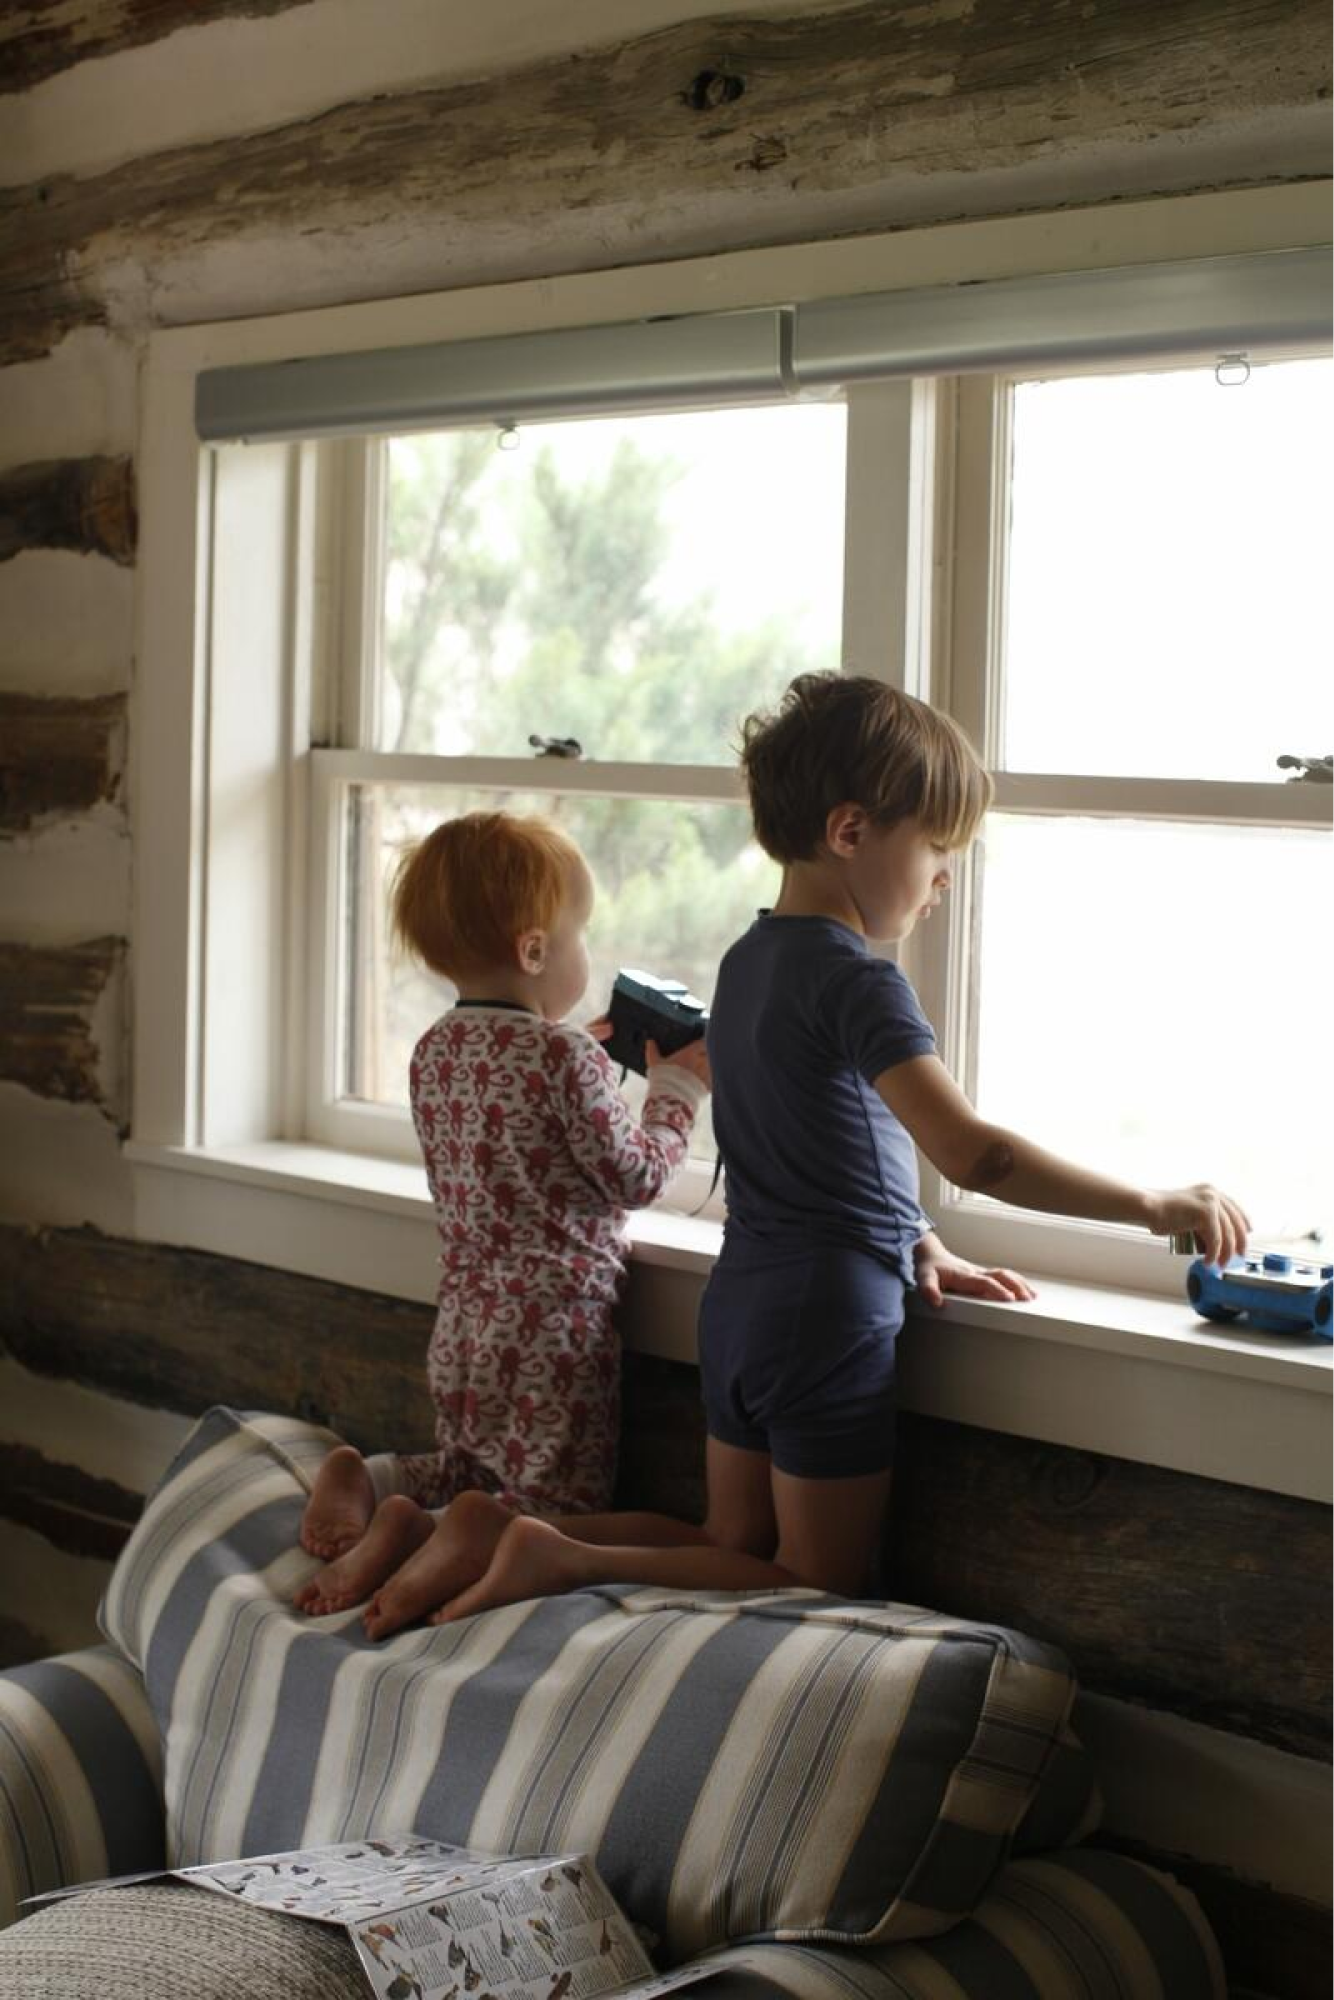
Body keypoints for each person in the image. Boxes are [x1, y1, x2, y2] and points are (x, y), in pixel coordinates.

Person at [409, 672, 1249, 1623]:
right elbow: (978, 1156)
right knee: (820, 1577)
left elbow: (819, 1142)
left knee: (733, 1545)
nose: (943, 881)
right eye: (936, 848)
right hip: (825, 1316)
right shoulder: (859, 983)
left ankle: (539, 1537)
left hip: (742, 1304)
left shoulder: (746, 962)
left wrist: (917, 1240)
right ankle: (556, 1558)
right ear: (851, 833)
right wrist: (1149, 1206)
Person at [294, 809, 709, 1636]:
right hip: (553, 1328)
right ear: (533, 951)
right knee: (553, 1505)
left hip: (466, 1320)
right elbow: (634, 1175)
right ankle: (475, 1533)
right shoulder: (566, 1058)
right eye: (579, 935)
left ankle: (378, 1482)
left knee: (463, 1463)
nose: (586, 955)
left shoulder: (436, 1051)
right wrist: (677, 1094)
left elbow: (511, 1138)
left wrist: (580, 1060)